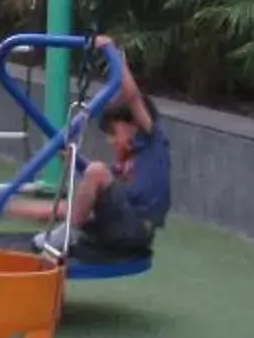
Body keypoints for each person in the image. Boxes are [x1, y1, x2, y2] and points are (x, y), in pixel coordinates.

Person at [14, 34, 170, 261]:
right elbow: (83, 199)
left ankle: (65, 235)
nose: (111, 140)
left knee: (96, 171)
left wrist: (113, 54)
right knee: (90, 181)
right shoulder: (123, 165)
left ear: (133, 125)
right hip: (115, 229)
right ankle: (62, 238)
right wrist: (10, 206)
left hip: (135, 232)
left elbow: (133, 98)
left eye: (114, 133)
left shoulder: (152, 141)